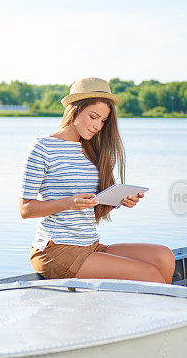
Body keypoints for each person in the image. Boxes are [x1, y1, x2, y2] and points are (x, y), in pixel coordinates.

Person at [19, 77, 175, 283]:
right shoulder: (42, 148)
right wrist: (69, 203)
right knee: (149, 275)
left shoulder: (91, 150)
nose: (98, 126)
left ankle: (154, 310)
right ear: (74, 109)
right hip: (55, 250)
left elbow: (93, 209)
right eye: (94, 117)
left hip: (90, 245)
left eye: (103, 121)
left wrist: (118, 201)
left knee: (164, 257)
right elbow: (26, 209)